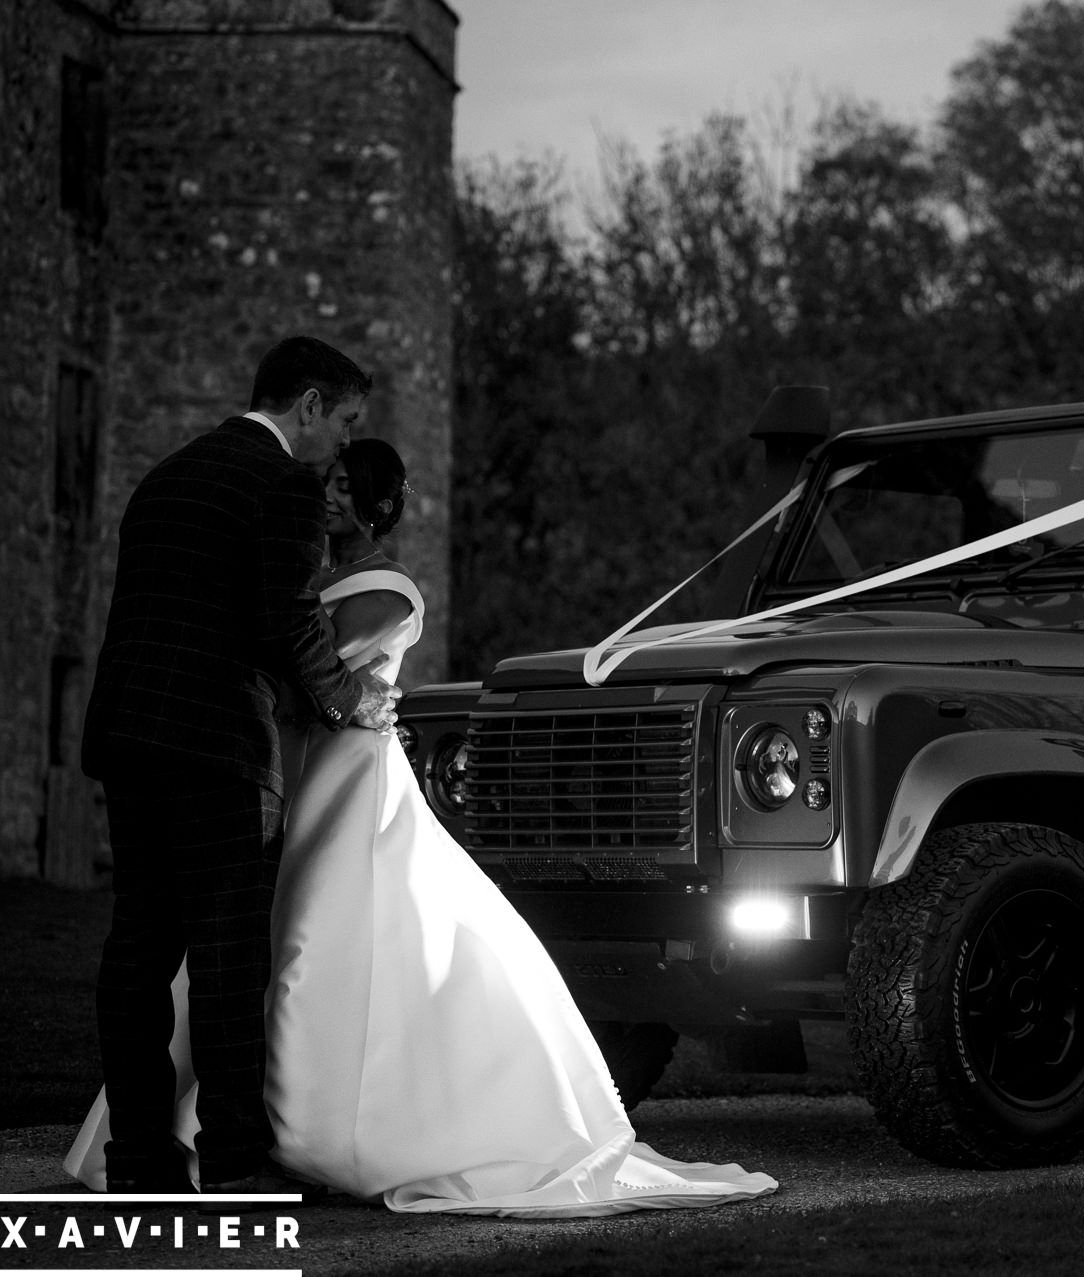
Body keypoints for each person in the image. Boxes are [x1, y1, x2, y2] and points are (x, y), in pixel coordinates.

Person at [68, 440, 778, 1217]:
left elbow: (312, 674)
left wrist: (258, 680)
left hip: (346, 774)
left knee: (318, 936)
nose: (328, 497)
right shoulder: (312, 576)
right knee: (242, 937)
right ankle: (211, 1130)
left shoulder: (386, 589)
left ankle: (336, 1126)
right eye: (327, 484)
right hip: (298, 768)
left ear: (374, 506)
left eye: (343, 489)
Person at [79, 337, 399, 1197]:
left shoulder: (163, 478)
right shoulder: (285, 484)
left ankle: (137, 1158)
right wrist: (351, 702)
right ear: (306, 406)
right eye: (343, 421)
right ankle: (231, 1161)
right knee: (229, 962)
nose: (341, 445)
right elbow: (287, 619)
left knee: (137, 951)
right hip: (220, 746)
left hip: (131, 736)